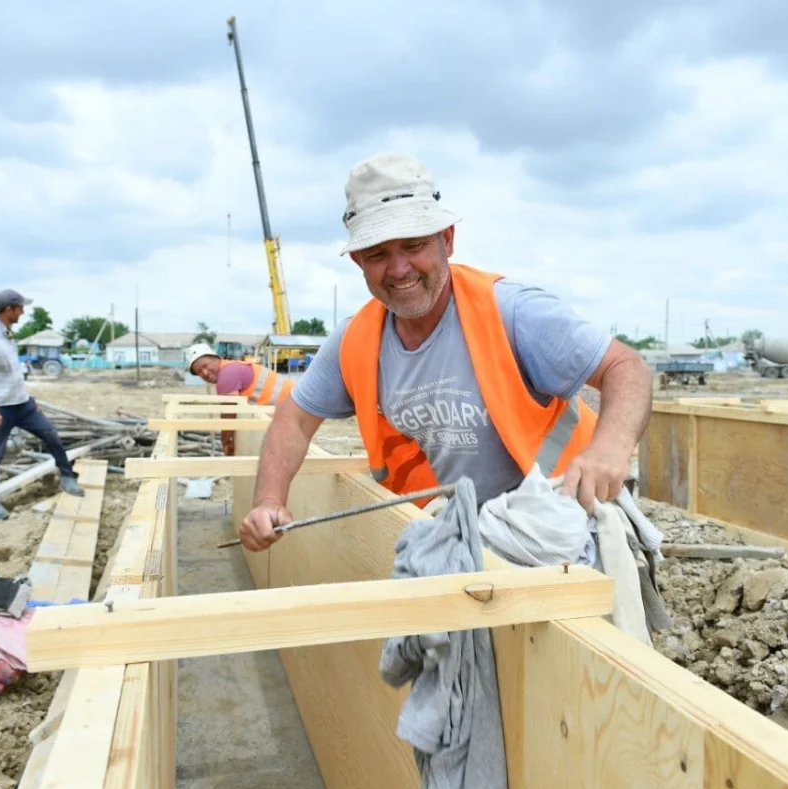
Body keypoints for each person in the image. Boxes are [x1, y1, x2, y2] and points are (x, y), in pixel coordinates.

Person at [238, 152, 652, 551]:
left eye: (414, 245)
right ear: (359, 262)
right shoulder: (356, 340)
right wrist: (268, 502)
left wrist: (609, 449)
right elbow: (293, 419)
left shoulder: (512, 312)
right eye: (379, 254)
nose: (399, 269)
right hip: (460, 535)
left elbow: (624, 366)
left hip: (561, 525)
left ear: (447, 240)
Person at [0, 289, 84, 520]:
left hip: (22, 404)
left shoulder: (7, 333)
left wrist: (29, 399)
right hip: (0, 407)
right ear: (9, 309)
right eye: (21, 308)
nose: (23, 312)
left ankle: (67, 476)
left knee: (50, 433)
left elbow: (11, 372)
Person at [184, 342, 295, 455]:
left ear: (215, 358)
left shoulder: (227, 374)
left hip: (291, 410)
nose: (205, 373)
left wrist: (226, 442)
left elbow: (229, 413)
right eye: (199, 372)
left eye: (205, 366)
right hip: (288, 409)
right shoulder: (231, 368)